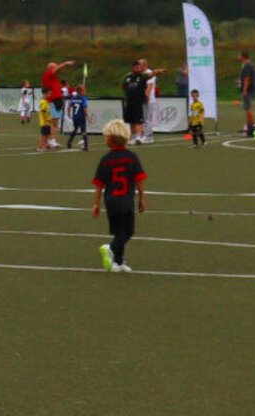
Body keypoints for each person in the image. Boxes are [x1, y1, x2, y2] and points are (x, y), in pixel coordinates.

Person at [91, 119, 145, 273]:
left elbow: (99, 185)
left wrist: (96, 204)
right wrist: (142, 198)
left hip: (111, 201)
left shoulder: (106, 160)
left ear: (111, 139)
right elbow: (139, 180)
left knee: (118, 232)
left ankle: (119, 262)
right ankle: (111, 248)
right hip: (126, 201)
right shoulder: (131, 157)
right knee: (128, 232)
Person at [121, 60, 161, 145]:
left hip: (139, 101)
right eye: (137, 67)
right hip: (129, 101)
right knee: (131, 120)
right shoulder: (127, 76)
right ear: (132, 68)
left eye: (139, 67)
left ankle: (141, 136)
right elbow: (123, 86)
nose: (138, 69)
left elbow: (151, 75)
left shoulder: (142, 75)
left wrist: (158, 71)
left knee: (140, 119)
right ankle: (134, 137)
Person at [239, 51, 255, 138]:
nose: (238, 57)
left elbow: (247, 78)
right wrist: (240, 82)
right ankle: (249, 128)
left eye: (239, 55)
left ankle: (254, 128)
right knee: (248, 108)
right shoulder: (252, 64)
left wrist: (245, 90)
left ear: (243, 56)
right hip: (252, 89)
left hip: (248, 89)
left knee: (248, 108)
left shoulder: (247, 65)